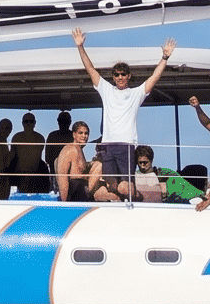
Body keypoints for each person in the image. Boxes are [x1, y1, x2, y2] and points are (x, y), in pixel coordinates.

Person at [74, 28, 176, 203]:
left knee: (124, 187)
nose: (120, 77)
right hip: (107, 145)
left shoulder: (136, 93)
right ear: (113, 77)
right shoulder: (106, 89)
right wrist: (80, 47)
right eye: (117, 74)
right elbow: (90, 69)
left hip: (126, 145)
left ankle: (141, 199)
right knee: (110, 187)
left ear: (128, 76)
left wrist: (165, 58)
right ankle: (122, 204)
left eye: (123, 74)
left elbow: (154, 78)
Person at [52, 120, 95, 201]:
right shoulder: (70, 149)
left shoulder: (79, 150)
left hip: (82, 193)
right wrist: (64, 203)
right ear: (74, 134)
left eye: (86, 133)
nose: (84, 136)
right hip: (74, 195)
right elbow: (62, 177)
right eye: (80, 133)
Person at [10, 113, 48, 196]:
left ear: (35, 123)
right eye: (26, 121)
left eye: (31, 121)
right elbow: (12, 157)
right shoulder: (16, 137)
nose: (28, 123)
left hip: (36, 177)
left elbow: (38, 158)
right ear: (22, 123)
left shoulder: (40, 138)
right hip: (19, 176)